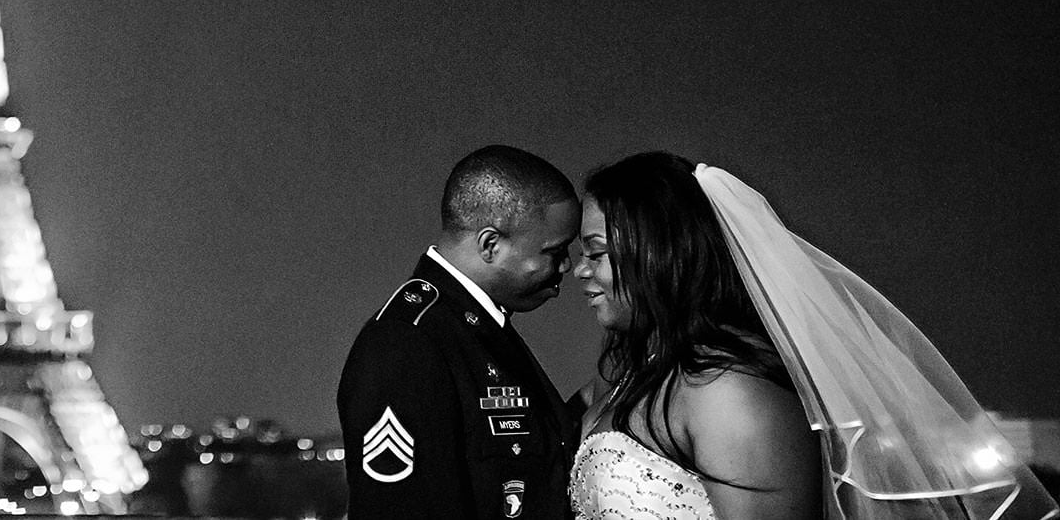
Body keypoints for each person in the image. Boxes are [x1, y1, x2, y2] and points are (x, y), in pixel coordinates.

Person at [570, 152, 1058, 520]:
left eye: (596, 252)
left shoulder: (725, 391)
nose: (578, 270)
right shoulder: (635, 373)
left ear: (663, 252)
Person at [337, 145, 580, 520]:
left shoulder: (475, 331)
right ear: (490, 245)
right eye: (555, 251)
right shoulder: (406, 345)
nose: (567, 266)